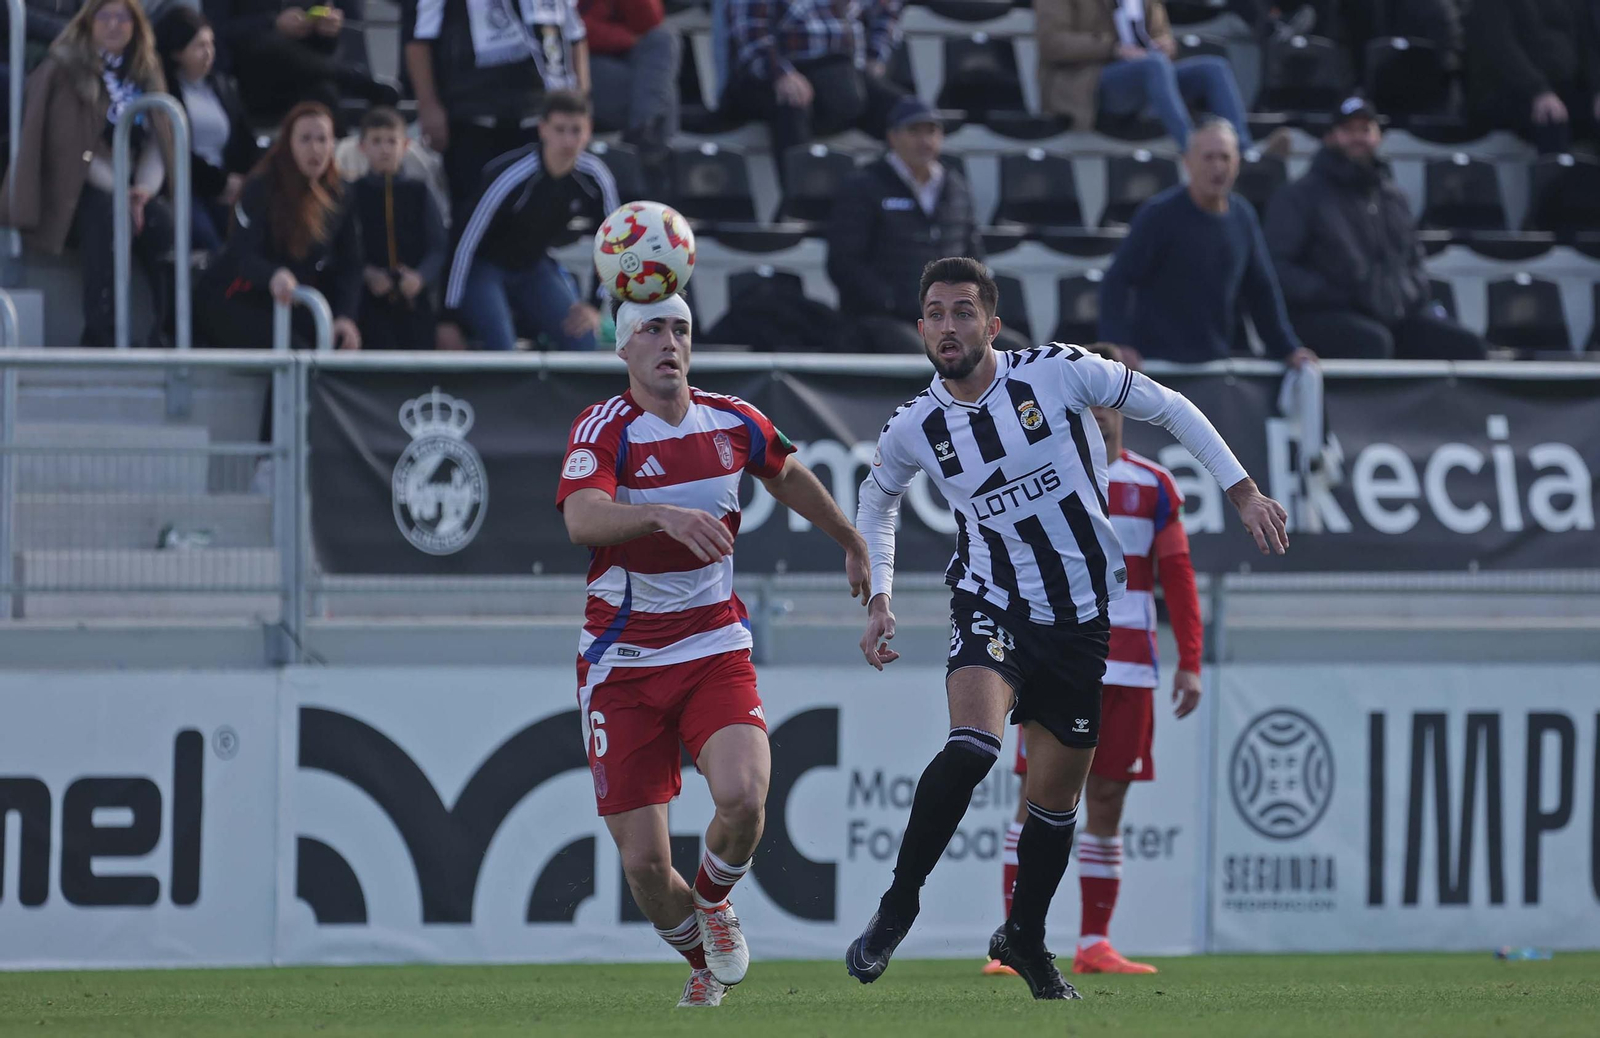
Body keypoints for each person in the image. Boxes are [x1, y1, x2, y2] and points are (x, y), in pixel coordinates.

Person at [848, 256, 1288, 1000]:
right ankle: (898, 905)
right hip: (992, 602)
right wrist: (880, 595)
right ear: (921, 327)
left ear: (991, 324)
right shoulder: (916, 425)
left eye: (963, 312)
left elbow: (1171, 407)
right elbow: (876, 496)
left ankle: (1023, 937)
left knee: (1055, 807)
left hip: (1084, 617)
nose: (948, 326)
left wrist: (1241, 489)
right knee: (973, 745)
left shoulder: (1057, 373)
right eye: (935, 313)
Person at [557, 293, 871, 1008]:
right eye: (651, 330)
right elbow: (581, 518)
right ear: (623, 348)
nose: (669, 343)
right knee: (642, 865)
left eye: (680, 330)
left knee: (746, 796)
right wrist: (658, 515)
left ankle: (712, 902)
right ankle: (702, 960)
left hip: (712, 648)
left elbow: (786, 472)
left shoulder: (732, 420)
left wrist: (849, 540)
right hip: (621, 666)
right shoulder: (604, 427)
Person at [983, 341, 1204, 979]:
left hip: (1130, 669)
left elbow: (1179, 579)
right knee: (1032, 800)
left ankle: (1094, 943)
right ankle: (1011, 942)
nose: (1101, 414)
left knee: (1105, 804)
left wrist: (1190, 659)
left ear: (1125, 406)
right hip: (1058, 659)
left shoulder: (1153, 485)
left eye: (1112, 402)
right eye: (1091, 400)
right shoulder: (1040, 475)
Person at [0, 0, 176, 348]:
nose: (113, 25)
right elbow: (71, 149)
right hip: (76, 188)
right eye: (104, 17)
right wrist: (120, 191)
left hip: (131, 189)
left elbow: (159, 140)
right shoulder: (64, 69)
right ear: (88, 23)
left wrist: (143, 190)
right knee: (105, 218)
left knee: (164, 224)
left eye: (122, 17)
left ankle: (166, 331)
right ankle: (102, 333)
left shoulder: (146, 72)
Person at [1264, 97, 1487, 361]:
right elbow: (1278, 268)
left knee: (1466, 345)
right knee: (1373, 342)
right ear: (1330, 137)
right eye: (1348, 130)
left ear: (1378, 136)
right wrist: (1335, 294)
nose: (1358, 138)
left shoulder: (1394, 198)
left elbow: (1415, 263)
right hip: (1323, 315)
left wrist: (1407, 296)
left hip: (1392, 315)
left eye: (1366, 129)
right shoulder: (1299, 196)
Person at [1098, 117, 1315, 368]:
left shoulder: (1242, 216)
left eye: (1225, 158)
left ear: (1237, 164)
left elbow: (1261, 291)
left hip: (1215, 363)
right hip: (1159, 365)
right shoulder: (1159, 215)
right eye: (1208, 157)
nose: (1217, 166)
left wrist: (1287, 348)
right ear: (1187, 163)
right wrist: (1118, 344)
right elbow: (1117, 280)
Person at [828, 97, 1026, 354]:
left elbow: (974, 257)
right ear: (892, 137)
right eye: (914, 131)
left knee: (1015, 350)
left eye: (931, 131)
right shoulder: (863, 186)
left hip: (950, 319)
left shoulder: (956, 186)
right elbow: (843, 262)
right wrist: (891, 302)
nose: (924, 140)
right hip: (884, 319)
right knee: (922, 353)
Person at [440, 91, 617, 352]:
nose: (568, 140)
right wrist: (447, 318)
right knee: (503, 349)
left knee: (582, 340)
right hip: (483, 269)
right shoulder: (512, 175)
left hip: (533, 267)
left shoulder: (595, 176)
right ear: (543, 129)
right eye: (560, 130)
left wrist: (593, 304)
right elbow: (464, 242)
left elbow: (613, 241)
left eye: (576, 130)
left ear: (588, 131)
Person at [196, 100, 362, 349]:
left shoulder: (340, 193)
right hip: (236, 295)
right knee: (299, 356)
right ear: (288, 144)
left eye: (322, 139)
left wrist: (345, 316)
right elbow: (241, 254)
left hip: (288, 300)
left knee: (339, 341)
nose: (315, 149)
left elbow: (351, 263)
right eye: (305, 139)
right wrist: (272, 274)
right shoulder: (261, 186)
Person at [404, 0, 590, 221]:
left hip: (538, 117)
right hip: (472, 117)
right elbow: (419, 38)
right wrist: (428, 105)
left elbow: (575, 35)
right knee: (473, 213)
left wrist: (582, 103)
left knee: (533, 215)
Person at [1035, 0, 1284, 155]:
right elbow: (1052, 43)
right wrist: (1113, 48)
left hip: (1146, 74)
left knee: (1213, 68)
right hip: (1089, 83)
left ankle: (1244, 152)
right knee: (1152, 66)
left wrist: (1166, 44)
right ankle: (1192, 149)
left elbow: (1160, 31)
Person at [721, 0, 905, 166]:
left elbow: (887, 9)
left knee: (908, 114)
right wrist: (781, 74)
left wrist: (875, 55)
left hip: (842, 74)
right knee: (792, 103)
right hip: (773, 74)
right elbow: (750, 33)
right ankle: (801, 198)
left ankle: (912, 193)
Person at [155, 6, 260, 251]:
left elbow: (245, 140)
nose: (209, 53)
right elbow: (173, 149)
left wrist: (242, 182)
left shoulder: (223, 86)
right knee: (208, 242)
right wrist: (220, 183)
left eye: (210, 44)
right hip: (188, 188)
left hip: (230, 189)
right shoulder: (164, 91)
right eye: (199, 46)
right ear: (177, 52)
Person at [203, 0, 398, 125]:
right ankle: (353, 79)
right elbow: (215, 32)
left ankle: (339, 175)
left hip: (305, 76)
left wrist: (327, 30)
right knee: (272, 46)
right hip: (250, 82)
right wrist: (273, 24)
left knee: (324, 92)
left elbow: (325, 50)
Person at [351, 106, 448, 350]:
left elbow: (438, 246)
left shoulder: (419, 191)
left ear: (405, 145)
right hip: (369, 302)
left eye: (391, 141)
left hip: (414, 300)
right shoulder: (352, 193)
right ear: (362, 147)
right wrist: (367, 273)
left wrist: (420, 277)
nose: (385, 149)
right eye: (376, 141)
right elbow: (342, 248)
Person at [1464, 0, 1600, 154]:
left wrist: (1597, 89)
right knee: (1550, 115)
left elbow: (1587, 45)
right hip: (1508, 91)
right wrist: (1539, 90)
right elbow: (1500, 47)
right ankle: (1554, 175)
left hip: (1563, 87)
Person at [580, 0, 679, 161]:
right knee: (660, 85)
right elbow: (576, 30)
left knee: (663, 40)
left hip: (624, 58)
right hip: (582, 62)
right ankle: (649, 143)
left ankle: (641, 132)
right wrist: (628, 38)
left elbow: (651, 21)